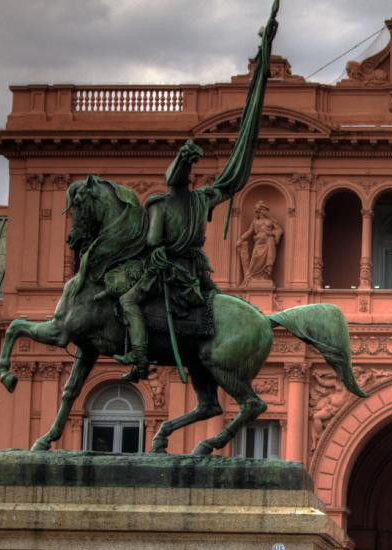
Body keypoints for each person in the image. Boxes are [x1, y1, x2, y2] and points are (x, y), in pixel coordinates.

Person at [112, 12, 279, 381]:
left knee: (128, 300)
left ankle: (139, 356)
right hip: (193, 274)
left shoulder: (165, 203)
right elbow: (233, 182)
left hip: (171, 275)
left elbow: (154, 242)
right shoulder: (200, 199)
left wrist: (256, 98)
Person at [236, 200, 284, 283]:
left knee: (269, 260)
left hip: (269, 242)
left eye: (266, 210)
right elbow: (249, 232)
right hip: (259, 243)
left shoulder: (271, 221)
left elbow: (279, 230)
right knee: (256, 258)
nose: (265, 211)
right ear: (260, 211)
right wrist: (241, 239)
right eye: (264, 210)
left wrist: (271, 233)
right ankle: (254, 277)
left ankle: (266, 277)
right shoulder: (255, 221)